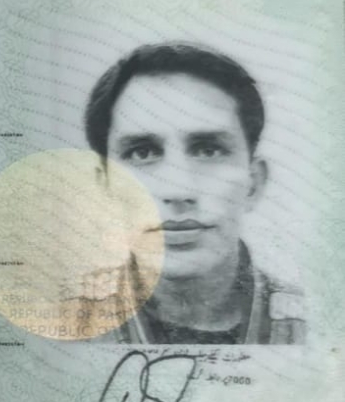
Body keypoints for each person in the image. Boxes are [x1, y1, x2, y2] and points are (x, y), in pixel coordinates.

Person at [75, 42, 304, 344]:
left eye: (208, 150)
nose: (178, 190)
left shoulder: (322, 325)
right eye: (142, 152)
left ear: (253, 184)